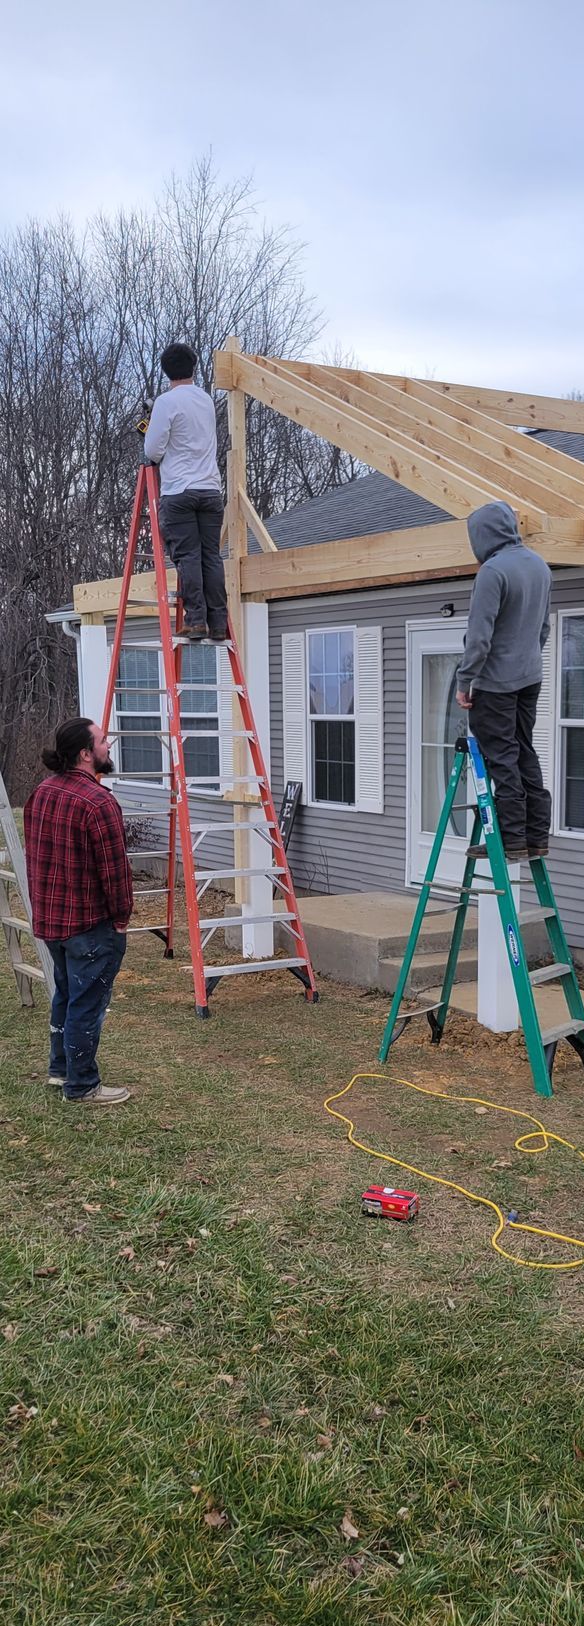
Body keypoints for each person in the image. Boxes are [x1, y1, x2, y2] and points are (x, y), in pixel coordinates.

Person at [24, 719, 133, 1106]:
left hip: (52, 923)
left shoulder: (42, 792)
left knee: (67, 996)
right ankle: (82, 1085)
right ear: (86, 753)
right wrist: (121, 919)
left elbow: (34, 858)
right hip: (89, 926)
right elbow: (116, 873)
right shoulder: (98, 802)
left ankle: (60, 1070)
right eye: (103, 740)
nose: (109, 745)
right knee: (86, 1004)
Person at [455, 500, 552, 862]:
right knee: (524, 749)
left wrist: (466, 680)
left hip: (495, 683)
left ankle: (510, 841)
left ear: (483, 535)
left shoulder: (493, 572)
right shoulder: (539, 566)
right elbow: (542, 628)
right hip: (530, 677)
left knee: (502, 759)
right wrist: (526, 659)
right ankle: (536, 838)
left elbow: (479, 638)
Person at [144, 341, 228, 642]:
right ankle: (219, 622)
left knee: (188, 556)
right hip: (210, 489)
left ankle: (196, 620)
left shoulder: (167, 403)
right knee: (211, 557)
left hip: (179, 490)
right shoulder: (205, 400)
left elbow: (152, 450)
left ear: (167, 371)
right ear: (193, 367)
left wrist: (154, 421)